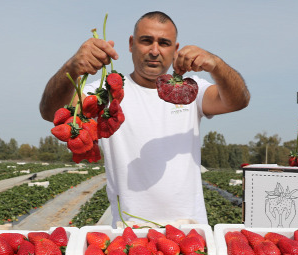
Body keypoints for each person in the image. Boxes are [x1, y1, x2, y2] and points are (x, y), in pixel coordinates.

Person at [39, 11, 250, 227]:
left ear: (175, 49)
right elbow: (50, 111)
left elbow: (238, 100)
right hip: (129, 233)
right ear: (131, 44)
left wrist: (216, 65)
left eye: (164, 43)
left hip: (189, 229)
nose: (155, 50)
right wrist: (71, 68)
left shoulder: (187, 91)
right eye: (146, 41)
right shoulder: (105, 93)